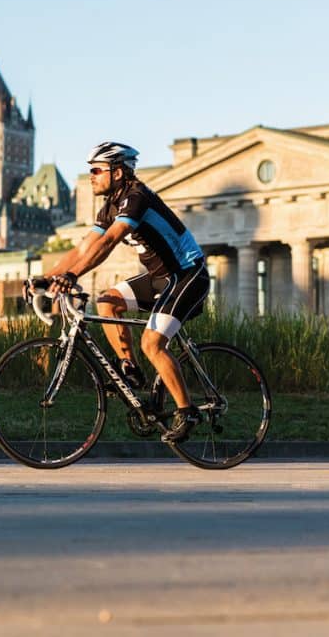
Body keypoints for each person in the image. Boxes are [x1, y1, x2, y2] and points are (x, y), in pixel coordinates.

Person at [27, 141, 210, 442]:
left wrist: (72, 276)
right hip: (160, 277)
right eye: (90, 170)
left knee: (152, 343)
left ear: (118, 172)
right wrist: (46, 278)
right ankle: (131, 370)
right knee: (107, 302)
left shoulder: (136, 198)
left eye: (97, 170)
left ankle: (186, 410)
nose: (92, 176)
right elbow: (85, 246)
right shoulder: (111, 205)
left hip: (188, 275)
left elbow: (111, 240)